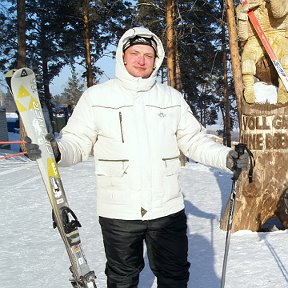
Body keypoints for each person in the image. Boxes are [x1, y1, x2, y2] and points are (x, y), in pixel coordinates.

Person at [25, 27, 249, 288]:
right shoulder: (97, 97)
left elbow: (194, 140)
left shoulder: (171, 98)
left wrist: (227, 157)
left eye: (148, 55)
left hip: (166, 209)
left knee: (175, 275)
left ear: (157, 60)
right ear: (122, 55)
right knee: (122, 279)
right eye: (135, 53)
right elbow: (77, 142)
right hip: (119, 210)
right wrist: (56, 151)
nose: (142, 60)